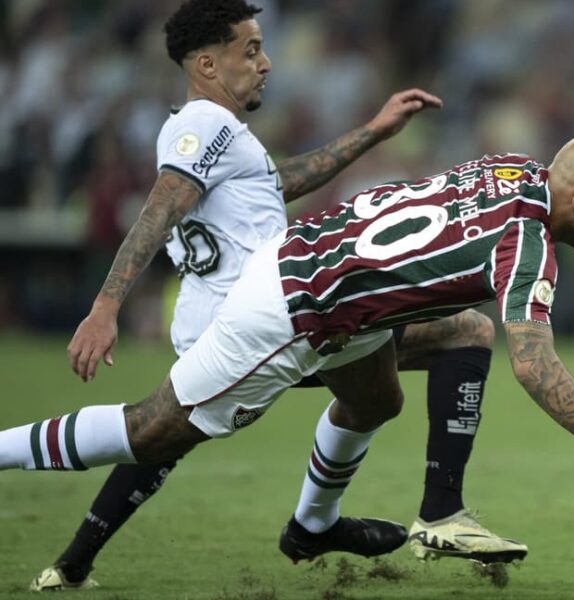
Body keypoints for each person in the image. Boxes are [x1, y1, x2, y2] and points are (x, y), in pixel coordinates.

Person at [0, 132, 574, 573]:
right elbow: (536, 365)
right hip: (291, 313)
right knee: (149, 430)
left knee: (431, 358)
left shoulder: (515, 169)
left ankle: (374, 520)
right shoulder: (528, 246)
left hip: (323, 273)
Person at [25, 0, 522, 591]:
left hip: (272, 303)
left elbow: (276, 183)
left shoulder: (223, 134)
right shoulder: (201, 123)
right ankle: (390, 515)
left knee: (375, 396)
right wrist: (105, 307)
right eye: (251, 49)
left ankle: (85, 561)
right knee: (154, 432)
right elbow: (159, 209)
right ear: (208, 64)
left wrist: (371, 132)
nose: (266, 63)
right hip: (256, 314)